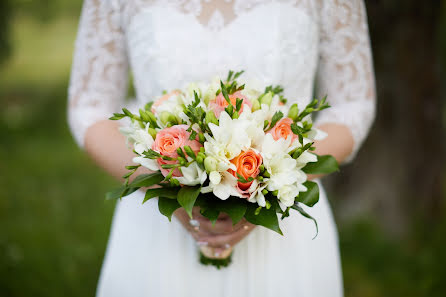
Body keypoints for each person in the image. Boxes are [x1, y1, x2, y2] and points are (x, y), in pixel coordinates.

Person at [68, 0, 376, 296]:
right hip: (158, 227)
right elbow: (89, 108)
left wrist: (269, 184)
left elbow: (353, 104)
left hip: (283, 221)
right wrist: (165, 184)